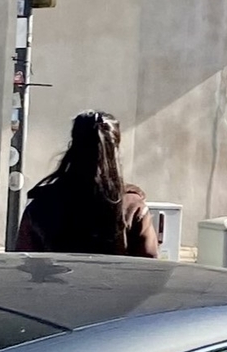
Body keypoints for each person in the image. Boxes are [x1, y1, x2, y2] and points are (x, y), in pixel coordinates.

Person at [16, 110, 162, 257]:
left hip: (54, 280)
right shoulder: (132, 206)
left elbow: (25, 264)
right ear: (115, 151)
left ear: (73, 147)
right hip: (116, 280)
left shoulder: (41, 205)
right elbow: (149, 268)